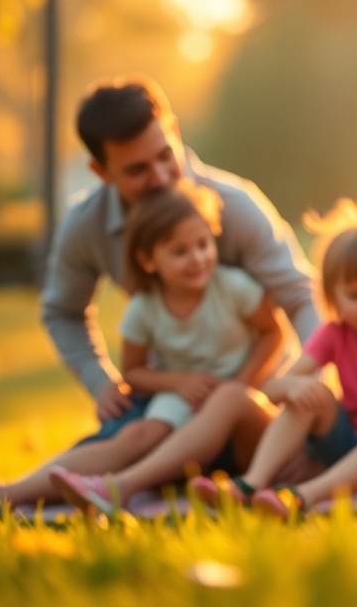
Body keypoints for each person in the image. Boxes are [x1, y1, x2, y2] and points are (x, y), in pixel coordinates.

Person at [0, 181, 287, 514]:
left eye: (204, 244)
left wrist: (240, 381)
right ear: (147, 259)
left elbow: (274, 333)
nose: (198, 258)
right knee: (135, 436)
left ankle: (118, 489)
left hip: (238, 400)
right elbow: (135, 373)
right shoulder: (145, 308)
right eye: (180, 251)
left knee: (211, 409)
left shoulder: (234, 288)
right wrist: (179, 382)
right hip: (183, 394)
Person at [45, 76, 319, 437]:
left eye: (165, 156)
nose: (160, 178)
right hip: (180, 391)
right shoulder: (85, 225)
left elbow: (301, 297)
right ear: (101, 172)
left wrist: (308, 379)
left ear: (173, 130)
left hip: (260, 389)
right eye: (137, 169)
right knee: (120, 436)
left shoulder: (236, 206)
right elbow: (63, 312)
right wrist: (102, 384)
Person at [161, 199, 357, 518]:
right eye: (356, 295)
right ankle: (251, 484)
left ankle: (300, 496)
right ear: (334, 297)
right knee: (311, 396)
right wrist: (292, 388)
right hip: (349, 445)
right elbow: (273, 389)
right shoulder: (335, 333)